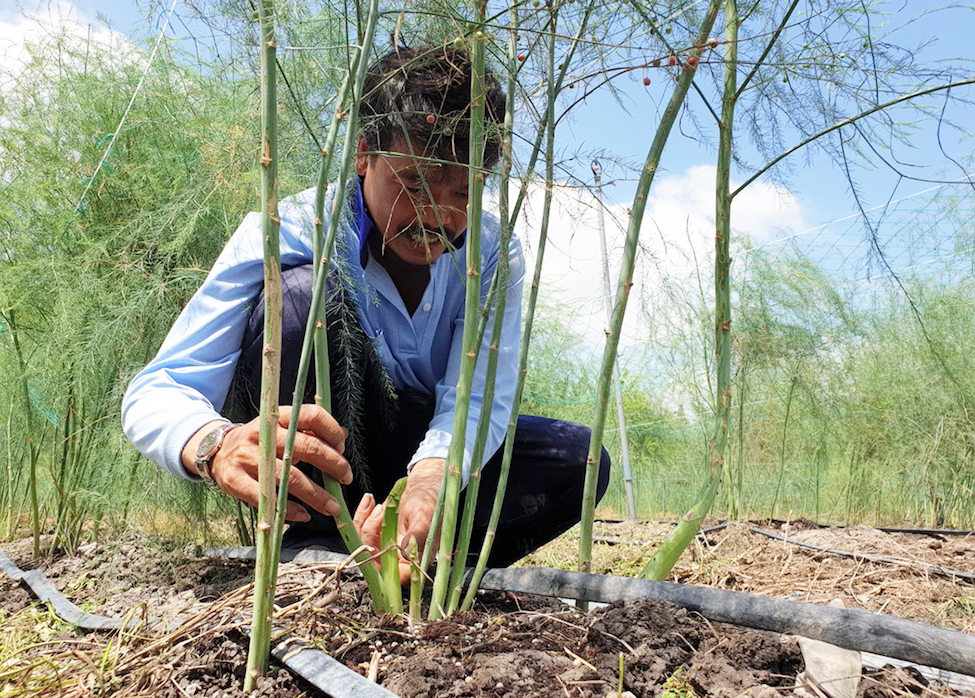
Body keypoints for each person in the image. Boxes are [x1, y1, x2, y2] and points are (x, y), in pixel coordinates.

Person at [121, 45, 609, 582]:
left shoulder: (492, 252)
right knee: (303, 297)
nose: (437, 216)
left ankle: (422, 558)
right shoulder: (291, 228)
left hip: (429, 446)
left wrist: (432, 480)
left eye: (461, 191)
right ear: (363, 154)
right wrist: (214, 445)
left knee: (579, 462)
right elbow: (158, 389)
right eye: (413, 183)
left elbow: (477, 396)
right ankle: (316, 539)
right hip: (327, 445)